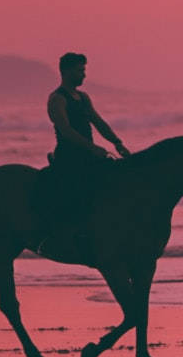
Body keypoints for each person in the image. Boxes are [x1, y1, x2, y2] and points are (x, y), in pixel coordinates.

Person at [42, 51, 132, 231]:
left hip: (88, 153)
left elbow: (98, 122)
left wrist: (117, 142)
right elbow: (65, 130)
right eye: (79, 70)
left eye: (84, 70)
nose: (84, 74)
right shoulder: (57, 99)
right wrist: (92, 147)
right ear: (66, 72)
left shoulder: (83, 97)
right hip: (69, 155)